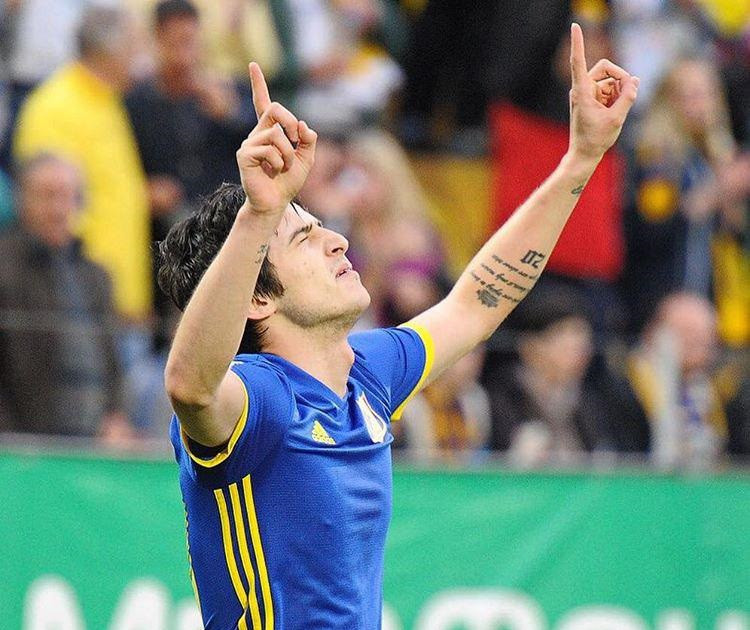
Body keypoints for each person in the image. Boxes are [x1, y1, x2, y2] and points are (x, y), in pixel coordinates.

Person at [158, 24, 639, 629]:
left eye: (321, 226)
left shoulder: (366, 375)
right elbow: (191, 386)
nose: (337, 240)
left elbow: (474, 304)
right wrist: (259, 214)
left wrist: (581, 158)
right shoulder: (259, 399)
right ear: (257, 297)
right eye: (304, 238)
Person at [0, 153, 132, 444]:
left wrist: (115, 416)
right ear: (22, 200)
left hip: (92, 442)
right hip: (23, 447)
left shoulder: (96, 275)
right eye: (47, 196)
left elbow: (113, 364)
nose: (58, 209)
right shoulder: (5, 268)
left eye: (67, 197)